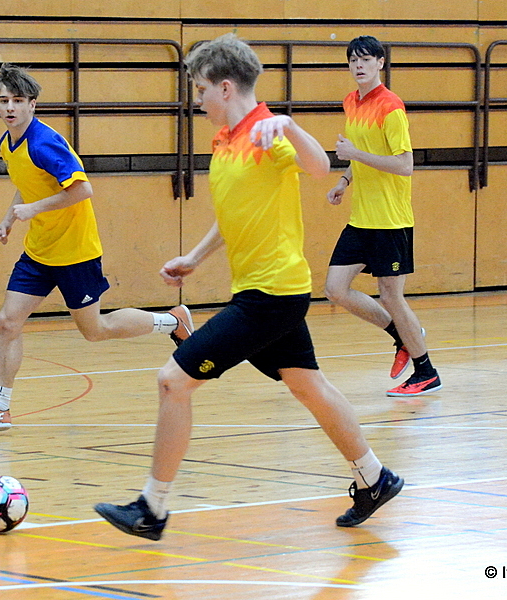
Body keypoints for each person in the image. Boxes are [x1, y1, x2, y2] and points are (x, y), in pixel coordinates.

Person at [94, 34, 404, 540]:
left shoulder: (267, 133)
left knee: (173, 380)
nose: (197, 100)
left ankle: (152, 508)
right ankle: (375, 478)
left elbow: (319, 166)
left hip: (272, 296)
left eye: (200, 90)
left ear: (224, 87)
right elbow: (234, 213)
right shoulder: (225, 141)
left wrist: (290, 125)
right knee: (308, 386)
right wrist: (195, 257)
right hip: (262, 292)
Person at [0, 63, 193, 433]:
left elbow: (82, 189)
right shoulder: (8, 143)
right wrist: (9, 220)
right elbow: (30, 183)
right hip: (39, 251)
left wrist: (34, 209)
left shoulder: (45, 142)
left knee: (95, 330)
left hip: (75, 252)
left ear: (32, 104)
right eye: (3, 101)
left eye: (17, 100)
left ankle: (172, 322)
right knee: (8, 321)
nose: (9, 107)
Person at [324, 35, 441, 397]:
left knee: (391, 296)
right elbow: (362, 154)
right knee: (335, 289)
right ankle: (402, 335)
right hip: (362, 218)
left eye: (365, 59)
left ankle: (426, 373)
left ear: (380, 63)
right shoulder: (351, 101)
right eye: (353, 60)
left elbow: (404, 165)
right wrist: (344, 180)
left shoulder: (391, 107)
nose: (358, 65)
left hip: (390, 220)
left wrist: (355, 154)